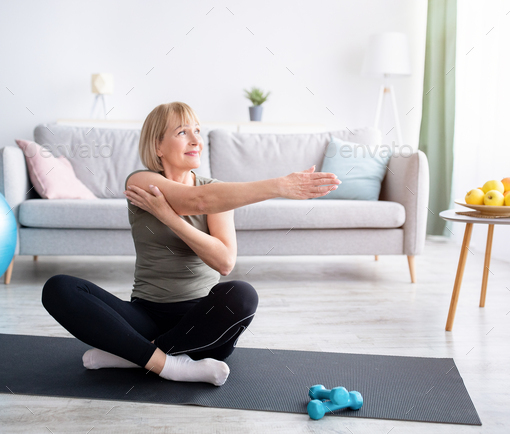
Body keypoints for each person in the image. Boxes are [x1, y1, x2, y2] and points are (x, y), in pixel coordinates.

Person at [41, 102, 341, 386]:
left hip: (202, 328)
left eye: (197, 131)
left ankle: (138, 356)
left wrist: (169, 219)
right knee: (59, 288)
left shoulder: (218, 193)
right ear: (157, 146)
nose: (195, 139)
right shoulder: (141, 181)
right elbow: (195, 201)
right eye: (182, 132)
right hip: (144, 315)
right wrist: (278, 186)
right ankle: (170, 366)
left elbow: (224, 262)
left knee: (243, 295)